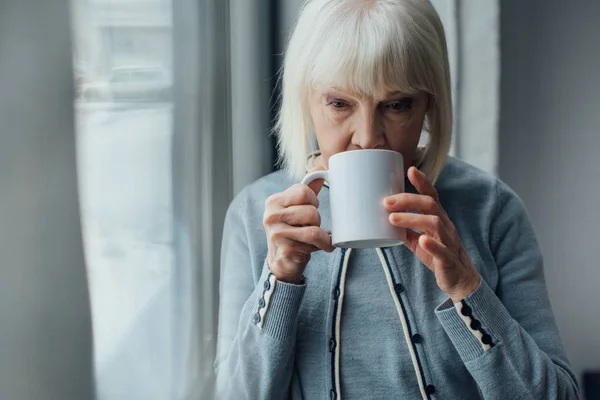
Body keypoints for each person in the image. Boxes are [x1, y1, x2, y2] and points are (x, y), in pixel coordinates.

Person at [215, 0, 579, 399]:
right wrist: (279, 277)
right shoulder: (256, 215)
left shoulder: (491, 208)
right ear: (305, 99)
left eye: (396, 105)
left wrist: (465, 287)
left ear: (429, 105)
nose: (368, 137)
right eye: (339, 103)